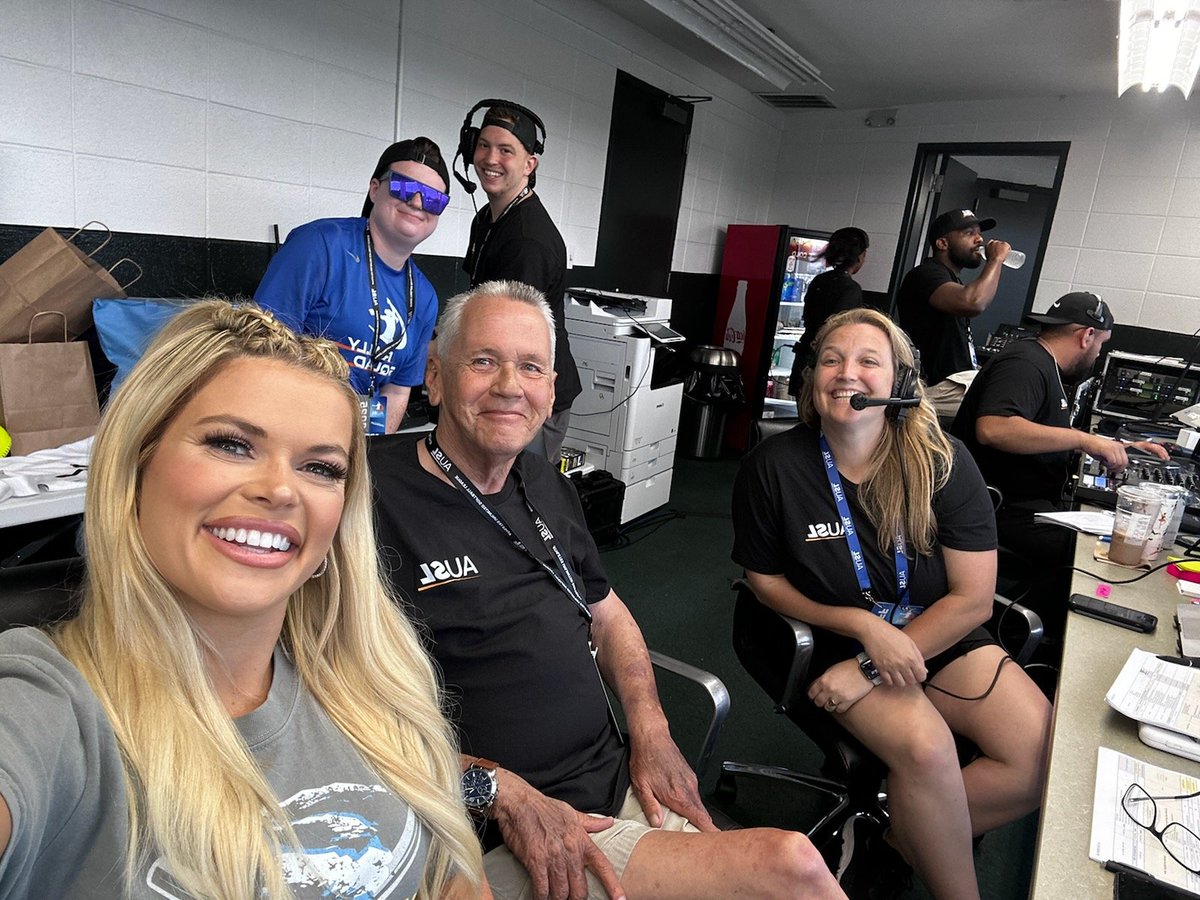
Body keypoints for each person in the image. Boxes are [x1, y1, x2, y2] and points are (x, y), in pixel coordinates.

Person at [369, 280, 846, 900]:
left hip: (618, 782)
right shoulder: (371, 500)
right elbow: (337, 710)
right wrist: (500, 792)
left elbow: (607, 613)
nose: (510, 385)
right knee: (792, 868)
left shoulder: (544, 484)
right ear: (433, 377)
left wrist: (649, 724)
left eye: (532, 367)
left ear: (551, 389)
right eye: (483, 361)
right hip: (496, 826)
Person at [0, 300, 485, 898]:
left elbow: (449, 875)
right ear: (134, 467)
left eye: (320, 467)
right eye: (231, 444)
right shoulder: (51, 706)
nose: (281, 489)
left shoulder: (372, 682)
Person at [732, 307, 1051, 900]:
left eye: (867, 361)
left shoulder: (942, 461)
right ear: (812, 376)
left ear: (901, 384)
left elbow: (974, 599)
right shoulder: (772, 466)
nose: (845, 373)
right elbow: (763, 579)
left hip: (938, 629)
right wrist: (859, 630)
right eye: (831, 359)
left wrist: (872, 667)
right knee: (927, 750)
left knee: (1041, 753)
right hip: (833, 640)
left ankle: (899, 835)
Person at [950, 291, 1169, 633]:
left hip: (1020, 502)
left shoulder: (1042, 363)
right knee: (1084, 553)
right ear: (1087, 336)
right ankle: (1028, 636)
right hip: (996, 507)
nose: (1099, 353)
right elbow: (994, 428)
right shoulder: (1026, 364)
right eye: (1101, 345)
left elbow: (1044, 433)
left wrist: (1116, 445)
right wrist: (1085, 439)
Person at [255, 137, 450, 433]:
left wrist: (368, 452)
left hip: (356, 438)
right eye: (404, 187)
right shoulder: (320, 245)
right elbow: (260, 350)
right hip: (289, 427)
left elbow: (397, 391)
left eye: (434, 199)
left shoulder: (424, 298)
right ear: (375, 188)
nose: (418, 202)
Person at [461, 101, 581, 464]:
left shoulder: (527, 241)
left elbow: (510, 337)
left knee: (517, 501)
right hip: (509, 382)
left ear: (529, 164)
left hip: (529, 399)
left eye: (506, 150)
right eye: (483, 145)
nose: (490, 158)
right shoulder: (488, 218)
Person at [896, 208, 1010, 419]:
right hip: (936, 390)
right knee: (1002, 415)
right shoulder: (925, 274)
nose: (979, 240)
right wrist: (996, 260)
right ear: (943, 244)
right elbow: (973, 302)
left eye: (979, 233)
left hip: (955, 383)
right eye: (969, 233)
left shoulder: (951, 280)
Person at [788, 226, 871, 404]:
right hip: (825, 365)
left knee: (804, 418)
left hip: (805, 360)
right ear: (860, 256)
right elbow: (841, 332)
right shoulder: (850, 289)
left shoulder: (820, 281)